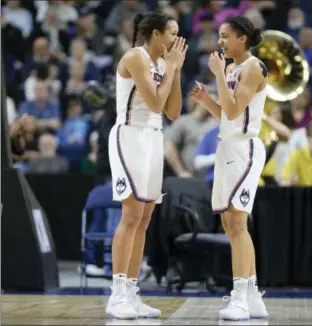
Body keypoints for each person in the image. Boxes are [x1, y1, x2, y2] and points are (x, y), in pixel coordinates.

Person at [106, 11, 187, 319]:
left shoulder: (162, 63)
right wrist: (171, 70)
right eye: (172, 33)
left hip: (153, 138)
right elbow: (154, 103)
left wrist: (174, 71)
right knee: (131, 214)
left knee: (144, 218)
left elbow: (174, 111)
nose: (177, 40)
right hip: (129, 136)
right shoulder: (135, 57)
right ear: (155, 35)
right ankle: (116, 294)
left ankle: (130, 290)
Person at [189, 16, 268, 321]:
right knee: (229, 224)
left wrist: (219, 75)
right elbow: (226, 114)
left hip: (245, 148)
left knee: (237, 223)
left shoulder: (253, 67)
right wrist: (206, 99)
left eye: (225, 36)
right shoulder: (233, 69)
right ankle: (252, 296)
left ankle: (239, 297)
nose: (219, 42)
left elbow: (236, 110)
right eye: (219, 36)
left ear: (242, 38)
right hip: (227, 146)